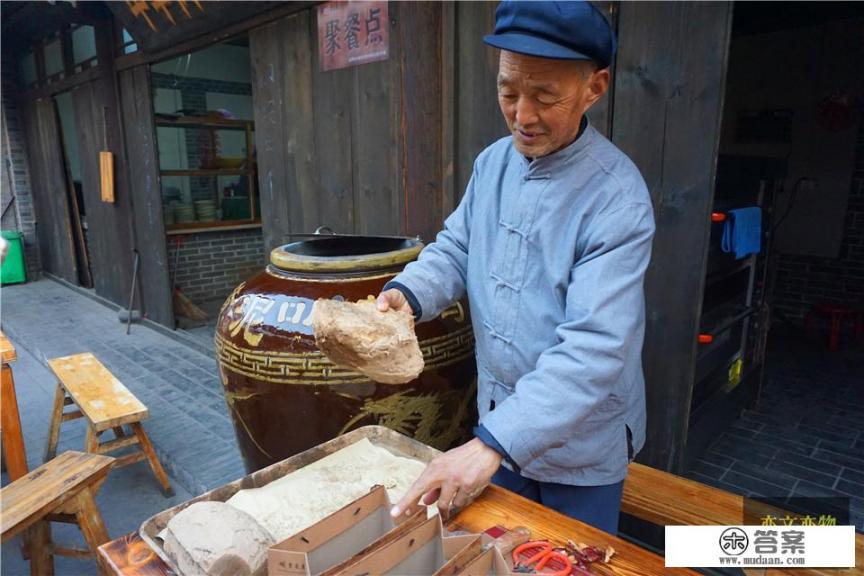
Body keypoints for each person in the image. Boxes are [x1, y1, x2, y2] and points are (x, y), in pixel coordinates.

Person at [376, 0, 655, 536]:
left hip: (582, 445)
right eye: (509, 92)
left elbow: (595, 347)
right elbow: (456, 246)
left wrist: (489, 444)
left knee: (572, 562)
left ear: (594, 88)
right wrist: (407, 294)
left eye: (545, 95)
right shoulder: (493, 163)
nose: (522, 116)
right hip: (501, 424)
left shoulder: (617, 198)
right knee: (498, 555)